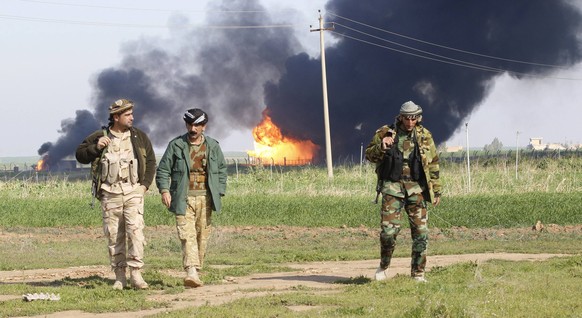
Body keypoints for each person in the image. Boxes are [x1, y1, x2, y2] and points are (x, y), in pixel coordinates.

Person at [75, 98, 156, 290]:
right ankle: (120, 276)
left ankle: (136, 274)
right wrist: (96, 147)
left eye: (131, 114)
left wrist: (144, 186)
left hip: (133, 191)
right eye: (127, 115)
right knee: (114, 236)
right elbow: (80, 155)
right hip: (110, 193)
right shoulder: (100, 135)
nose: (132, 118)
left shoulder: (139, 137)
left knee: (136, 233)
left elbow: (151, 161)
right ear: (116, 117)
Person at [365, 100, 441, 283]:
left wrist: (436, 191)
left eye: (413, 118)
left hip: (417, 190)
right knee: (389, 233)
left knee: (421, 233)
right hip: (393, 188)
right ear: (400, 117)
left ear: (418, 118)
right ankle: (384, 266)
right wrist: (382, 146)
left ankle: (418, 273)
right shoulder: (385, 132)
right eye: (407, 118)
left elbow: (433, 163)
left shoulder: (425, 136)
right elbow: (369, 155)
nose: (410, 122)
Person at [156, 108, 227, 288]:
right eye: (190, 124)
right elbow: (163, 170)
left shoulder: (213, 146)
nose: (193, 129)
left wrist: (219, 191)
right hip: (182, 198)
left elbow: (221, 170)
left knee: (202, 236)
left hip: (206, 198)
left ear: (204, 126)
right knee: (186, 235)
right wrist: (164, 190)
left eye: (197, 125)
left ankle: (197, 268)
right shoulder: (176, 145)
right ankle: (191, 271)